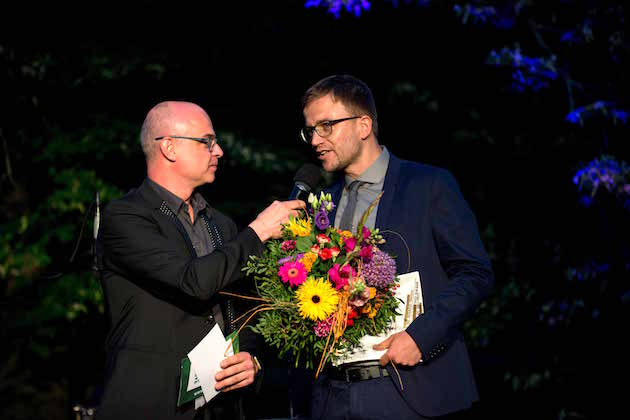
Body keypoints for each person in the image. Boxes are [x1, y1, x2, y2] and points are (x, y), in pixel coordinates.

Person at [300, 75, 494, 419]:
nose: (315, 140)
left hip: (408, 390)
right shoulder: (319, 208)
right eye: (311, 130)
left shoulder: (428, 185)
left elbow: (475, 273)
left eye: (326, 126)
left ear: (363, 125)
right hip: (332, 397)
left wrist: (421, 336)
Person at [96, 101, 304, 420]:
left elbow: (249, 309)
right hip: (151, 404)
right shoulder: (125, 217)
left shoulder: (220, 224)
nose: (218, 150)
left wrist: (252, 357)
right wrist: (258, 231)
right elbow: (192, 281)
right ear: (168, 147)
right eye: (206, 141)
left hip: (222, 407)